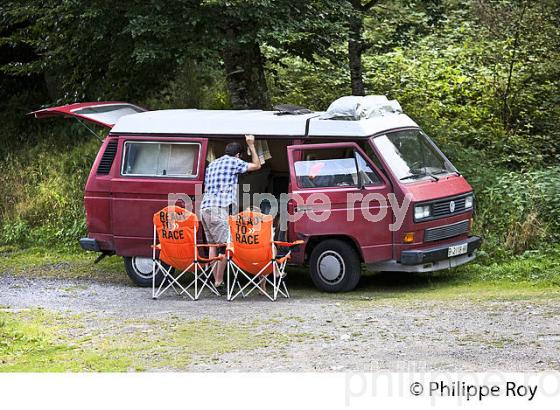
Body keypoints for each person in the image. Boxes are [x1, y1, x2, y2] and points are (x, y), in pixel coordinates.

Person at [200, 134, 261, 291]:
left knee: (213, 246)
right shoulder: (233, 161)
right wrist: (251, 145)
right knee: (227, 245)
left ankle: (214, 281)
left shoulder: (212, 164)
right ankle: (219, 283)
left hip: (205, 208)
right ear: (238, 154)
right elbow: (257, 165)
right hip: (218, 209)